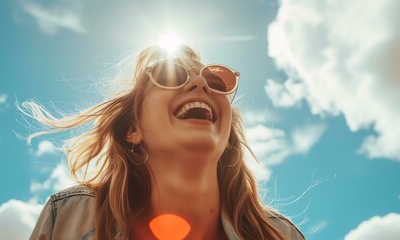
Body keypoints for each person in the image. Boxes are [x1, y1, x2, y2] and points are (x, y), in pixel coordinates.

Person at [26, 44, 305, 240]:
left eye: (217, 82)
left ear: (228, 138)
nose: (201, 85)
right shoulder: (69, 219)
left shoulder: (280, 236)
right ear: (133, 130)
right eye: (169, 75)